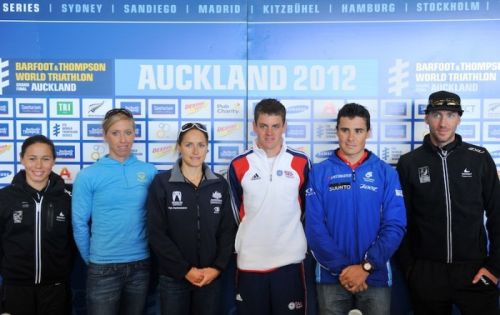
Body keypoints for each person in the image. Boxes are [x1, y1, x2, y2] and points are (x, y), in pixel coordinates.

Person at [396, 90, 500, 315]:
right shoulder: (409, 163)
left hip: (475, 271)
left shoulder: (479, 158)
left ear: (459, 118)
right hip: (427, 274)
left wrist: (494, 267)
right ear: (426, 117)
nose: (443, 123)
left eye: (450, 115)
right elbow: (400, 220)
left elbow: (497, 214)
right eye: (437, 115)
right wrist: (412, 270)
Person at [305, 103, 406, 315]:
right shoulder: (319, 172)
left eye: (358, 130)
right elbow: (314, 227)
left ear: (368, 133)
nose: (351, 138)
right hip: (331, 277)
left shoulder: (386, 173)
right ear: (337, 131)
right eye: (345, 130)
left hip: (374, 277)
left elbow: (395, 225)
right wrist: (345, 270)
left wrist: (366, 267)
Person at [228, 98, 311, 315]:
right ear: (254, 126)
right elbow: (236, 213)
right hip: (250, 263)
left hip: (290, 262)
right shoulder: (239, 164)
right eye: (263, 126)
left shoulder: (301, 162)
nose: (269, 133)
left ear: (284, 126)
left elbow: (306, 210)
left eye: (275, 126)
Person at [72, 108, 157, 315]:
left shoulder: (148, 171)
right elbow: (79, 223)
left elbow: (156, 219)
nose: (123, 139)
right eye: (116, 133)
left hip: (140, 266)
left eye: (128, 132)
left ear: (134, 134)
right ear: (105, 136)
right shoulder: (88, 175)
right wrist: (93, 259)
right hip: (102, 268)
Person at [147, 122, 236, 315]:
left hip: (209, 277)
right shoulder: (162, 183)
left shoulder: (219, 184)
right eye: (189, 145)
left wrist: (217, 268)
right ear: (179, 147)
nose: (195, 151)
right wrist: (185, 270)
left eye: (201, 145)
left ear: (207, 147)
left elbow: (227, 230)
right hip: (173, 278)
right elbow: (156, 233)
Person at [0, 135, 74, 314]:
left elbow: (74, 241)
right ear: (22, 159)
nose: (39, 166)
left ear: (54, 161)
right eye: (32, 158)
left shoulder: (67, 198)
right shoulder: (5, 198)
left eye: (45, 159)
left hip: (55, 289)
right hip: (15, 289)